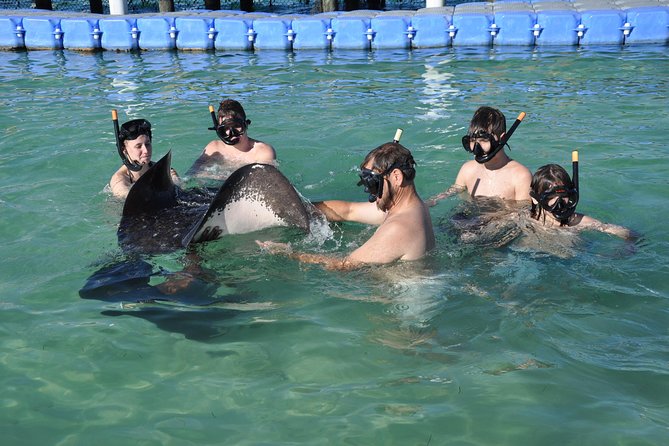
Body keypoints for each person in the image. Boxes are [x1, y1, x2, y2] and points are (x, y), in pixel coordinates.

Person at [256, 142, 435, 270]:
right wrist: (295, 209)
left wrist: (287, 253)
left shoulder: (399, 227)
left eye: (373, 183)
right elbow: (349, 211)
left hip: (401, 314)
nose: (370, 193)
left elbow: (343, 265)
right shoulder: (411, 208)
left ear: (396, 177)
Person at [428, 106, 532, 205]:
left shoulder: (520, 176)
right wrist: (432, 201)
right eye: (473, 141)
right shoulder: (467, 169)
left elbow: (524, 214)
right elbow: (454, 190)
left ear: (502, 138)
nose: (477, 148)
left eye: (483, 140)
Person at [527, 163, 634, 239]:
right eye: (551, 197)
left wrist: (626, 249)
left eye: (563, 195)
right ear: (535, 199)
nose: (559, 202)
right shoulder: (524, 219)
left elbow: (629, 234)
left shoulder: (578, 222)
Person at [188, 99, 276, 177]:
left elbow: (263, 180)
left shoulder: (262, 151)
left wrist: (216, 176)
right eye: (225, 128)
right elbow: (192, 173)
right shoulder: (214, 148)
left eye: (236, 126)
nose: (232, 133)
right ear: (219, 129)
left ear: (246, 124)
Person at [109, 118, 179, 199]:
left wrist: (175, 181)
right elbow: (130, 200)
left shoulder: (165, 170)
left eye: (148, 144)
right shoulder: (120, 180)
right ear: (124, 149)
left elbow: (178, 189)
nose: (146, 150)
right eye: (138, 146)